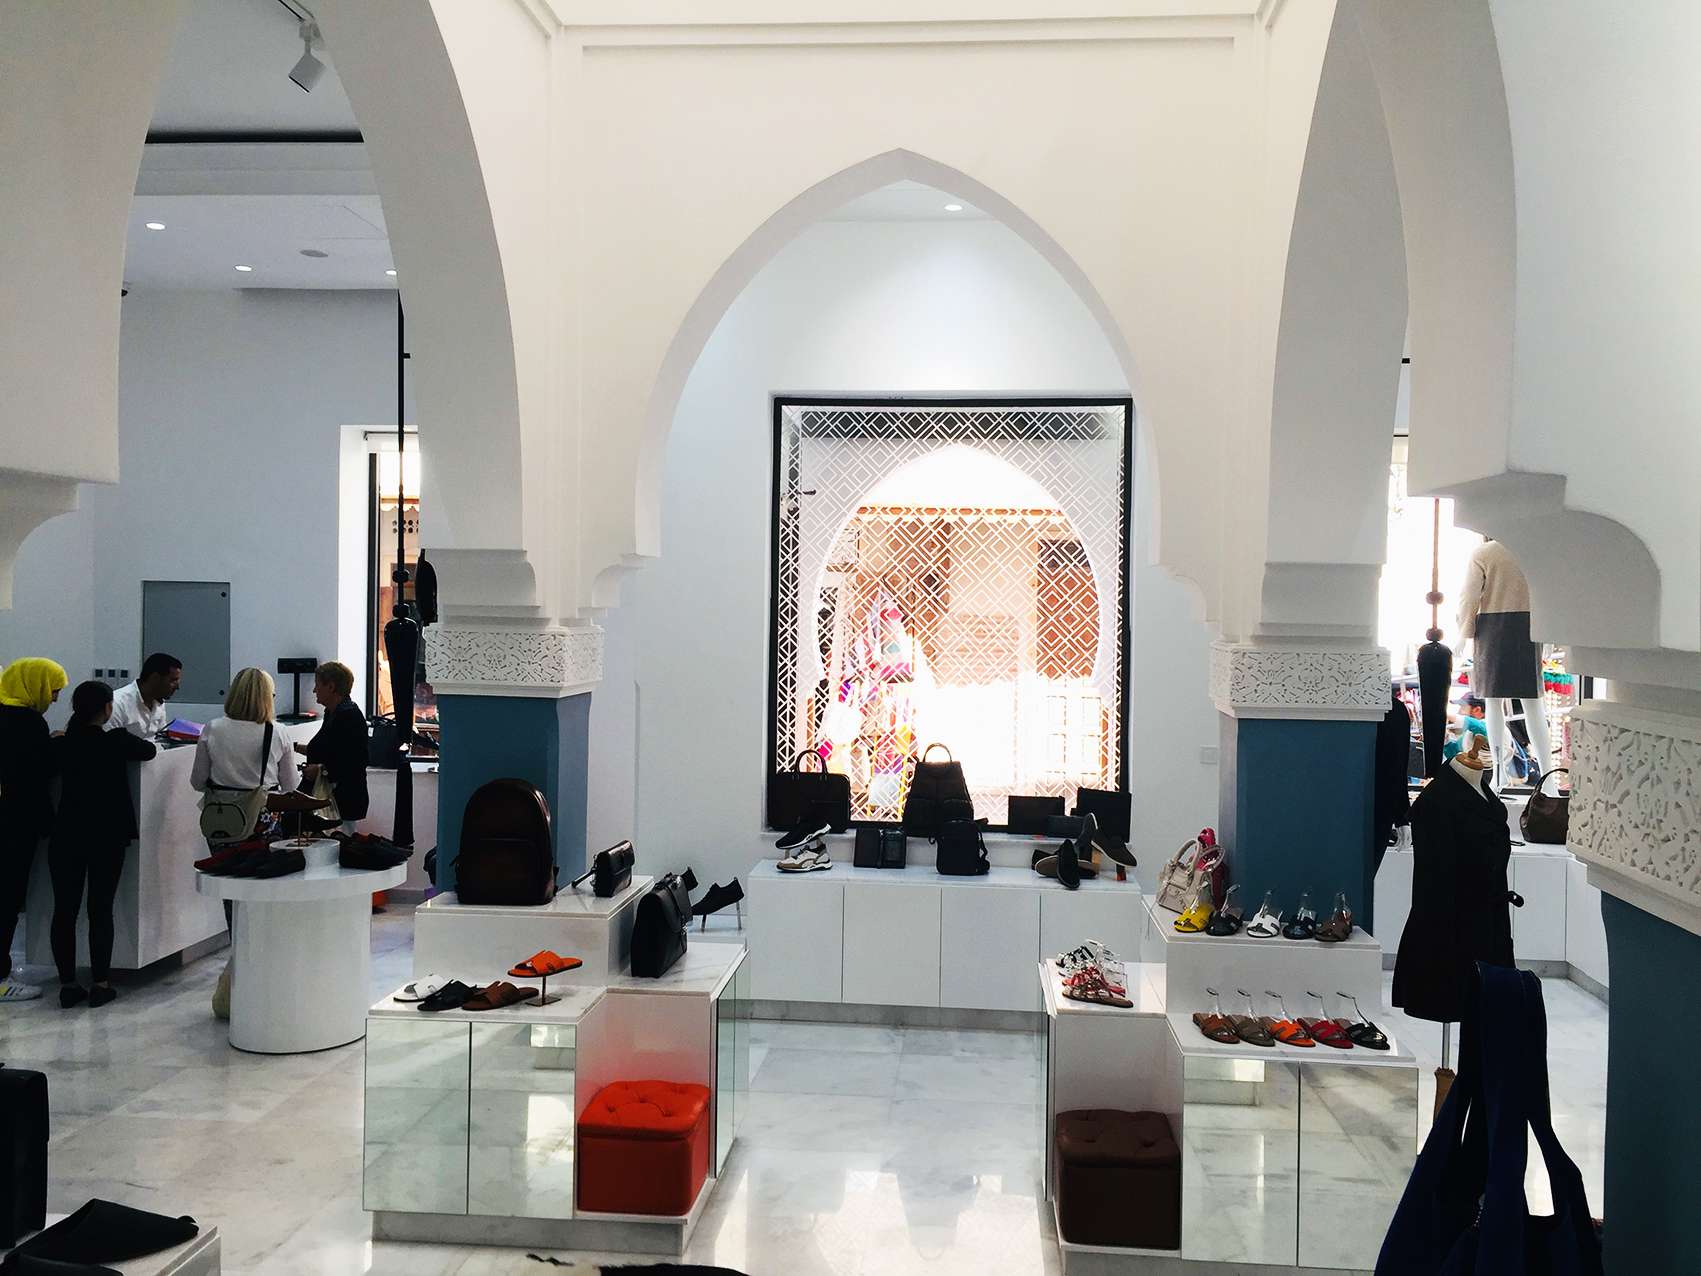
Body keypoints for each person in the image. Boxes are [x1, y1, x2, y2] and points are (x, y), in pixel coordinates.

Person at [50, 681, 156, 1008]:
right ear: (108, 709)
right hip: (107, 836)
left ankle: (68, 984)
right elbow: (150, 751)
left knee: (64, 910)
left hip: (67, 834)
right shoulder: (117, 740)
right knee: (100, 909)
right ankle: (100, 982)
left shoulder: (63, 744)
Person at [0, 657, 68, 1002]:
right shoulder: (26, 722)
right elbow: (39, 768)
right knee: (7, 897)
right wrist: (57, 744)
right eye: (53, 690)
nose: (54, 698)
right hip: (15, 823)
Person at [190, 667, 299, 814]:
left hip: (220, 814)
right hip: (262, 815)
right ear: (268, 698)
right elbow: (290, 786)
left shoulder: (213, 728)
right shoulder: (278, 731)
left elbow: (197, 782)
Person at [295, 661, 368, 831]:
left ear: (331, 687)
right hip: (335, 797)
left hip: (342, 800)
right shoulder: (333, 713)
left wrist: (321, 770)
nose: (314, 690)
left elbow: (355, 761)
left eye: (317, 685)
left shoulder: (349, 717)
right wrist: (292, 746)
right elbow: (326, 750)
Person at [107, 652, 182, 739]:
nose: (177, 687)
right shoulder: (117, 703)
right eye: (173, 680)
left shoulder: (158, 701)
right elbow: (107, 742)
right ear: (155, 678)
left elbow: (161, 738)